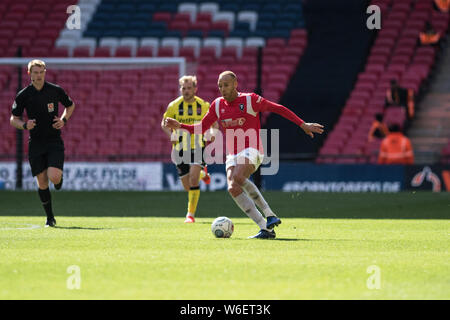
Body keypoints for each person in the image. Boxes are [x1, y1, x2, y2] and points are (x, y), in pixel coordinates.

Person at [165, 71, 324, 239]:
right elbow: (201, 127)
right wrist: (179, 125)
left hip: (253, 149)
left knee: (238, 176)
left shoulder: (250, 100)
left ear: (235, 84)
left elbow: (277, 108)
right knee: (233, 188)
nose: (222, 89)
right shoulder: (217, 105)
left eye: (226, 85)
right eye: (220, 86)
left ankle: (269, 214)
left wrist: (302, 124)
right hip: (233, 153)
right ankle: (266, 229)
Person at [10, 59, 75, 227]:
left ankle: (59, 180)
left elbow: (70, 105)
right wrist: (25, 125)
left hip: (54, 140)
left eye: (41, 72)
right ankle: (50, 218)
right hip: (36, 143)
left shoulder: (55, 90)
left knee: (53, 177)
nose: (38, 76)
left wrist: (63, 120)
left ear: (45, 72)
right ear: (29, 74)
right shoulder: (23, 95)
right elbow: (13, 119)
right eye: (35, 73)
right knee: (42, 181)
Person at [161, 75, 217, 223]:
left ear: (195, 89)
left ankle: (190, 215)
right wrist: (170, 135)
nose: (185, 91)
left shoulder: (203, 105)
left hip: (198, 146)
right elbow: (164, 123)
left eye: (189, 88)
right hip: (179, 148)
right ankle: (202, 175)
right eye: (183, 88)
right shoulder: (174, 106)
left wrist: (212, 133)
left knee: (192, 180)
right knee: (187, 186)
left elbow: (214, 124)